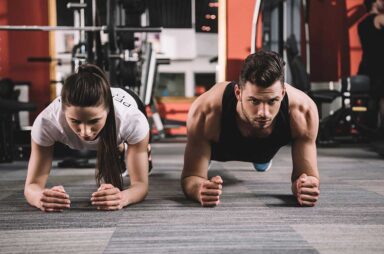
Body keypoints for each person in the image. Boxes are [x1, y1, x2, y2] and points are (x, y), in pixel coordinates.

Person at [181, 51, 320, 207]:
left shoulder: (303, 111)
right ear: (238, 93)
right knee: (202, 156)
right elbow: (191, 176)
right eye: (254, 101)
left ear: (282, 93)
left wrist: (303, 187)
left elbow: (307, 176)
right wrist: (199, 188)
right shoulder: (206, 110)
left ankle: (261, 158)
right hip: (220, 148)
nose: (264, 113)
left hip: (266, 148)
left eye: (272, 101)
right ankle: (207, 156)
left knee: (261, 157)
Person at [24, 64, 150, 212]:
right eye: (75, 121)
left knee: (143, 159)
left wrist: (123, 197)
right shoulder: (47, 122)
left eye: (94, 121)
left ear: (108, 111)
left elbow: (141, 185)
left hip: (130, 101)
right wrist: (40, 197)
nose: (85, 132)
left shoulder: (131, 119)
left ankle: (124, 147)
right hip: (112, 130)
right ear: (63, 111)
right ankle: (119, 147)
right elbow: (32, 185)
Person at [358, 0, 384, 131]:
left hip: (367, 66)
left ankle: (371, 128)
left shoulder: (361, 24)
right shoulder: (380, 18)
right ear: (375, 3)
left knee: (373, 99)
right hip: (381, 67)